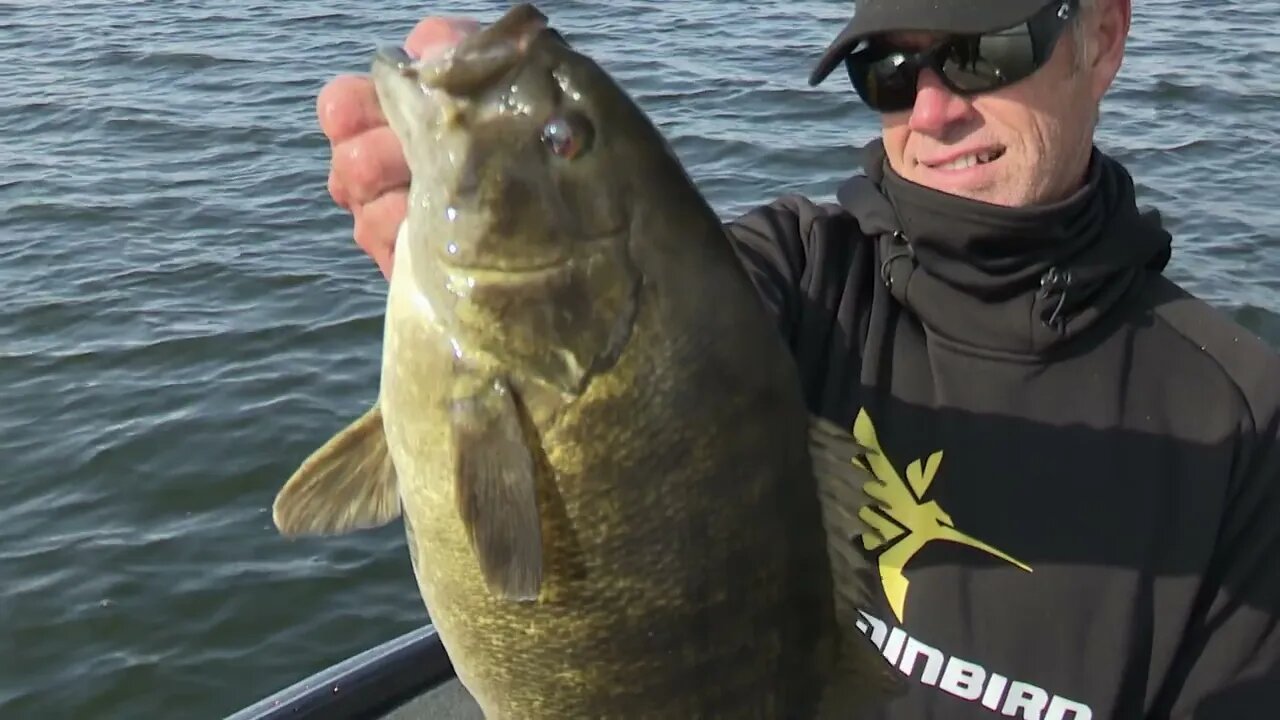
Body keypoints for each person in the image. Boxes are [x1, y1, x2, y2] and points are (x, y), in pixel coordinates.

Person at [316, 1, 1280, 717]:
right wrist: (460, 243)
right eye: (890, 72)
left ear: (1102, 36)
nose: (935, 107)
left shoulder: (1242, 423)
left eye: (985, 51)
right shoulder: (792, 275)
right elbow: (658, 314)